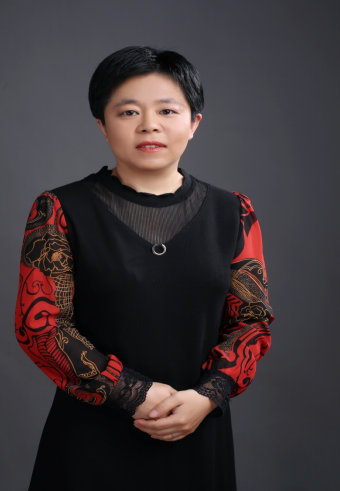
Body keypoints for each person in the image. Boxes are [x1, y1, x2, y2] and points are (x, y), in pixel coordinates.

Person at [14, 45, 274, 491]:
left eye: (167, 110)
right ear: (102, 124)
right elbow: (40, 327)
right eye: (128, 111)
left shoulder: (233, 212)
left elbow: (252, 321)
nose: (149, 124)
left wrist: (208, 396)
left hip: (196, 432)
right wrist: (131, 392)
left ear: (194, 123)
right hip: (90, 441)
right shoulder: (59, 209)